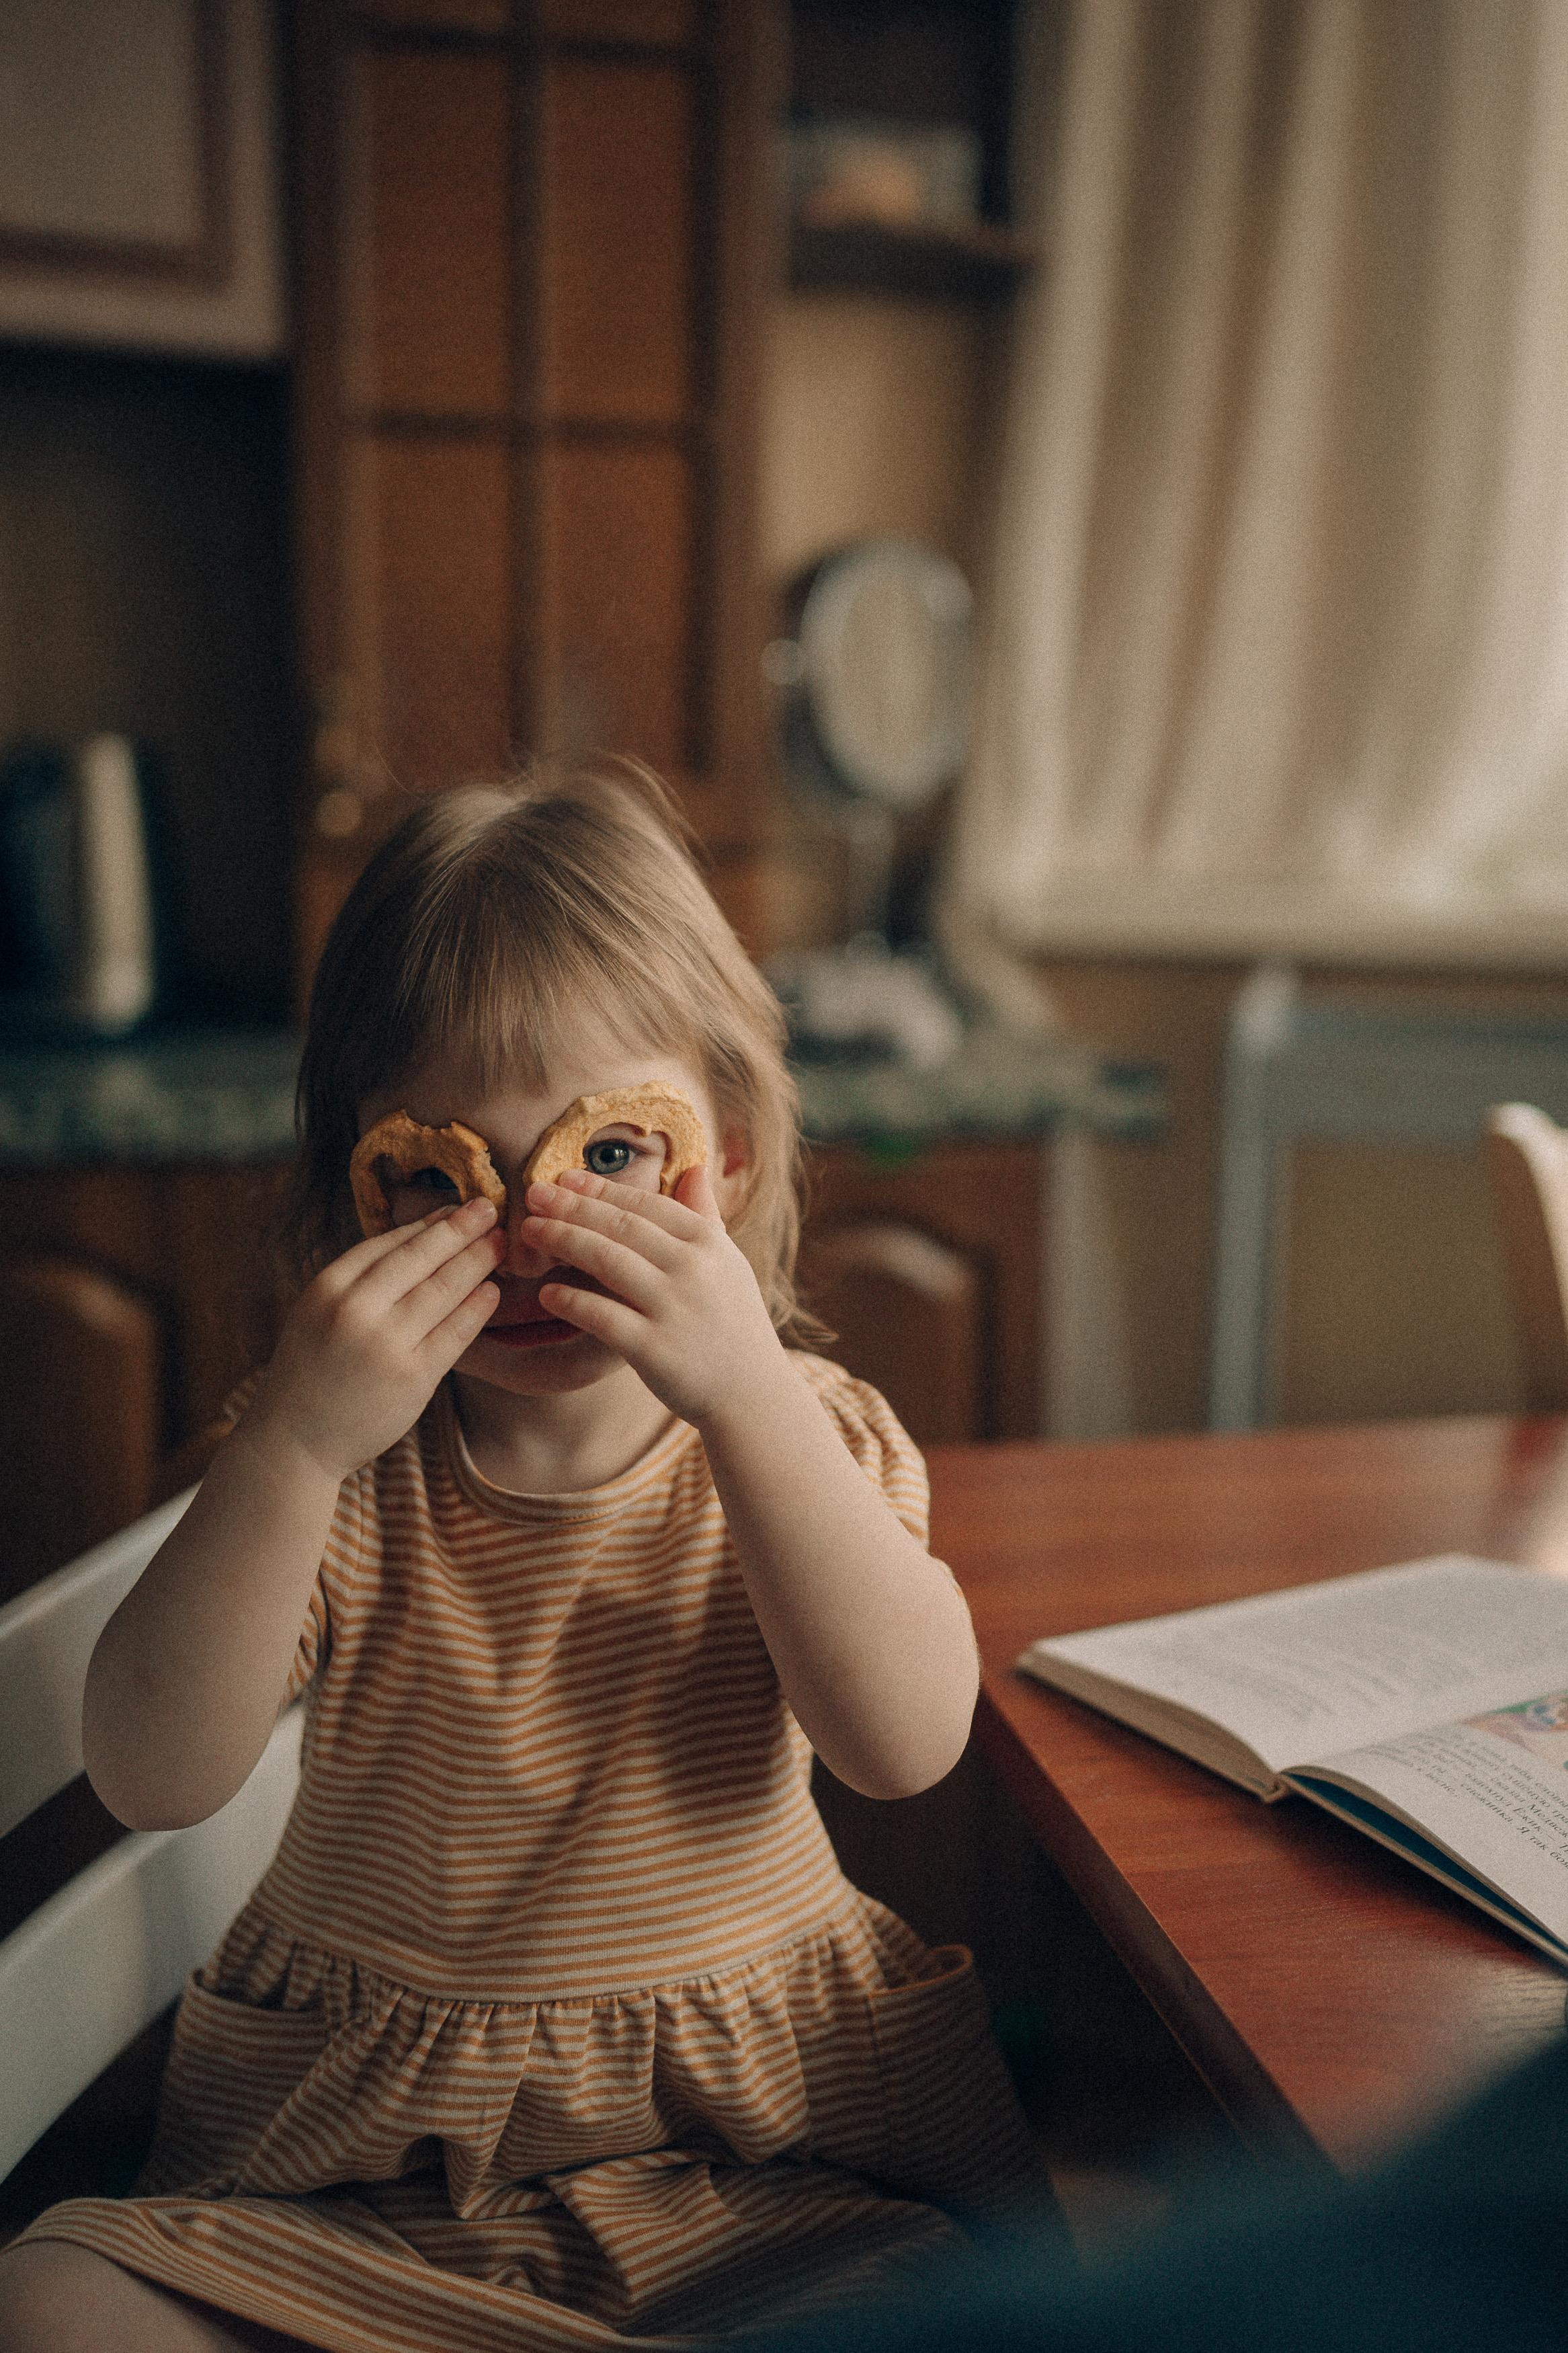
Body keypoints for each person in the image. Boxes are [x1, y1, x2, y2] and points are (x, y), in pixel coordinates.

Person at [0, 766, 1053, 2353]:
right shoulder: (332, 1472)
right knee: (46, 2293)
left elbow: (905, 1743)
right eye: (442, 1176)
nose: (529, 1235)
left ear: (738, 1163)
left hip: (755, 2182)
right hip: (360, 2199)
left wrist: (749, 1398)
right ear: (353, 1192)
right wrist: (287, 1446)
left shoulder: (804, 1437)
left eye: (613, 1157)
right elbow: (152, 1773)